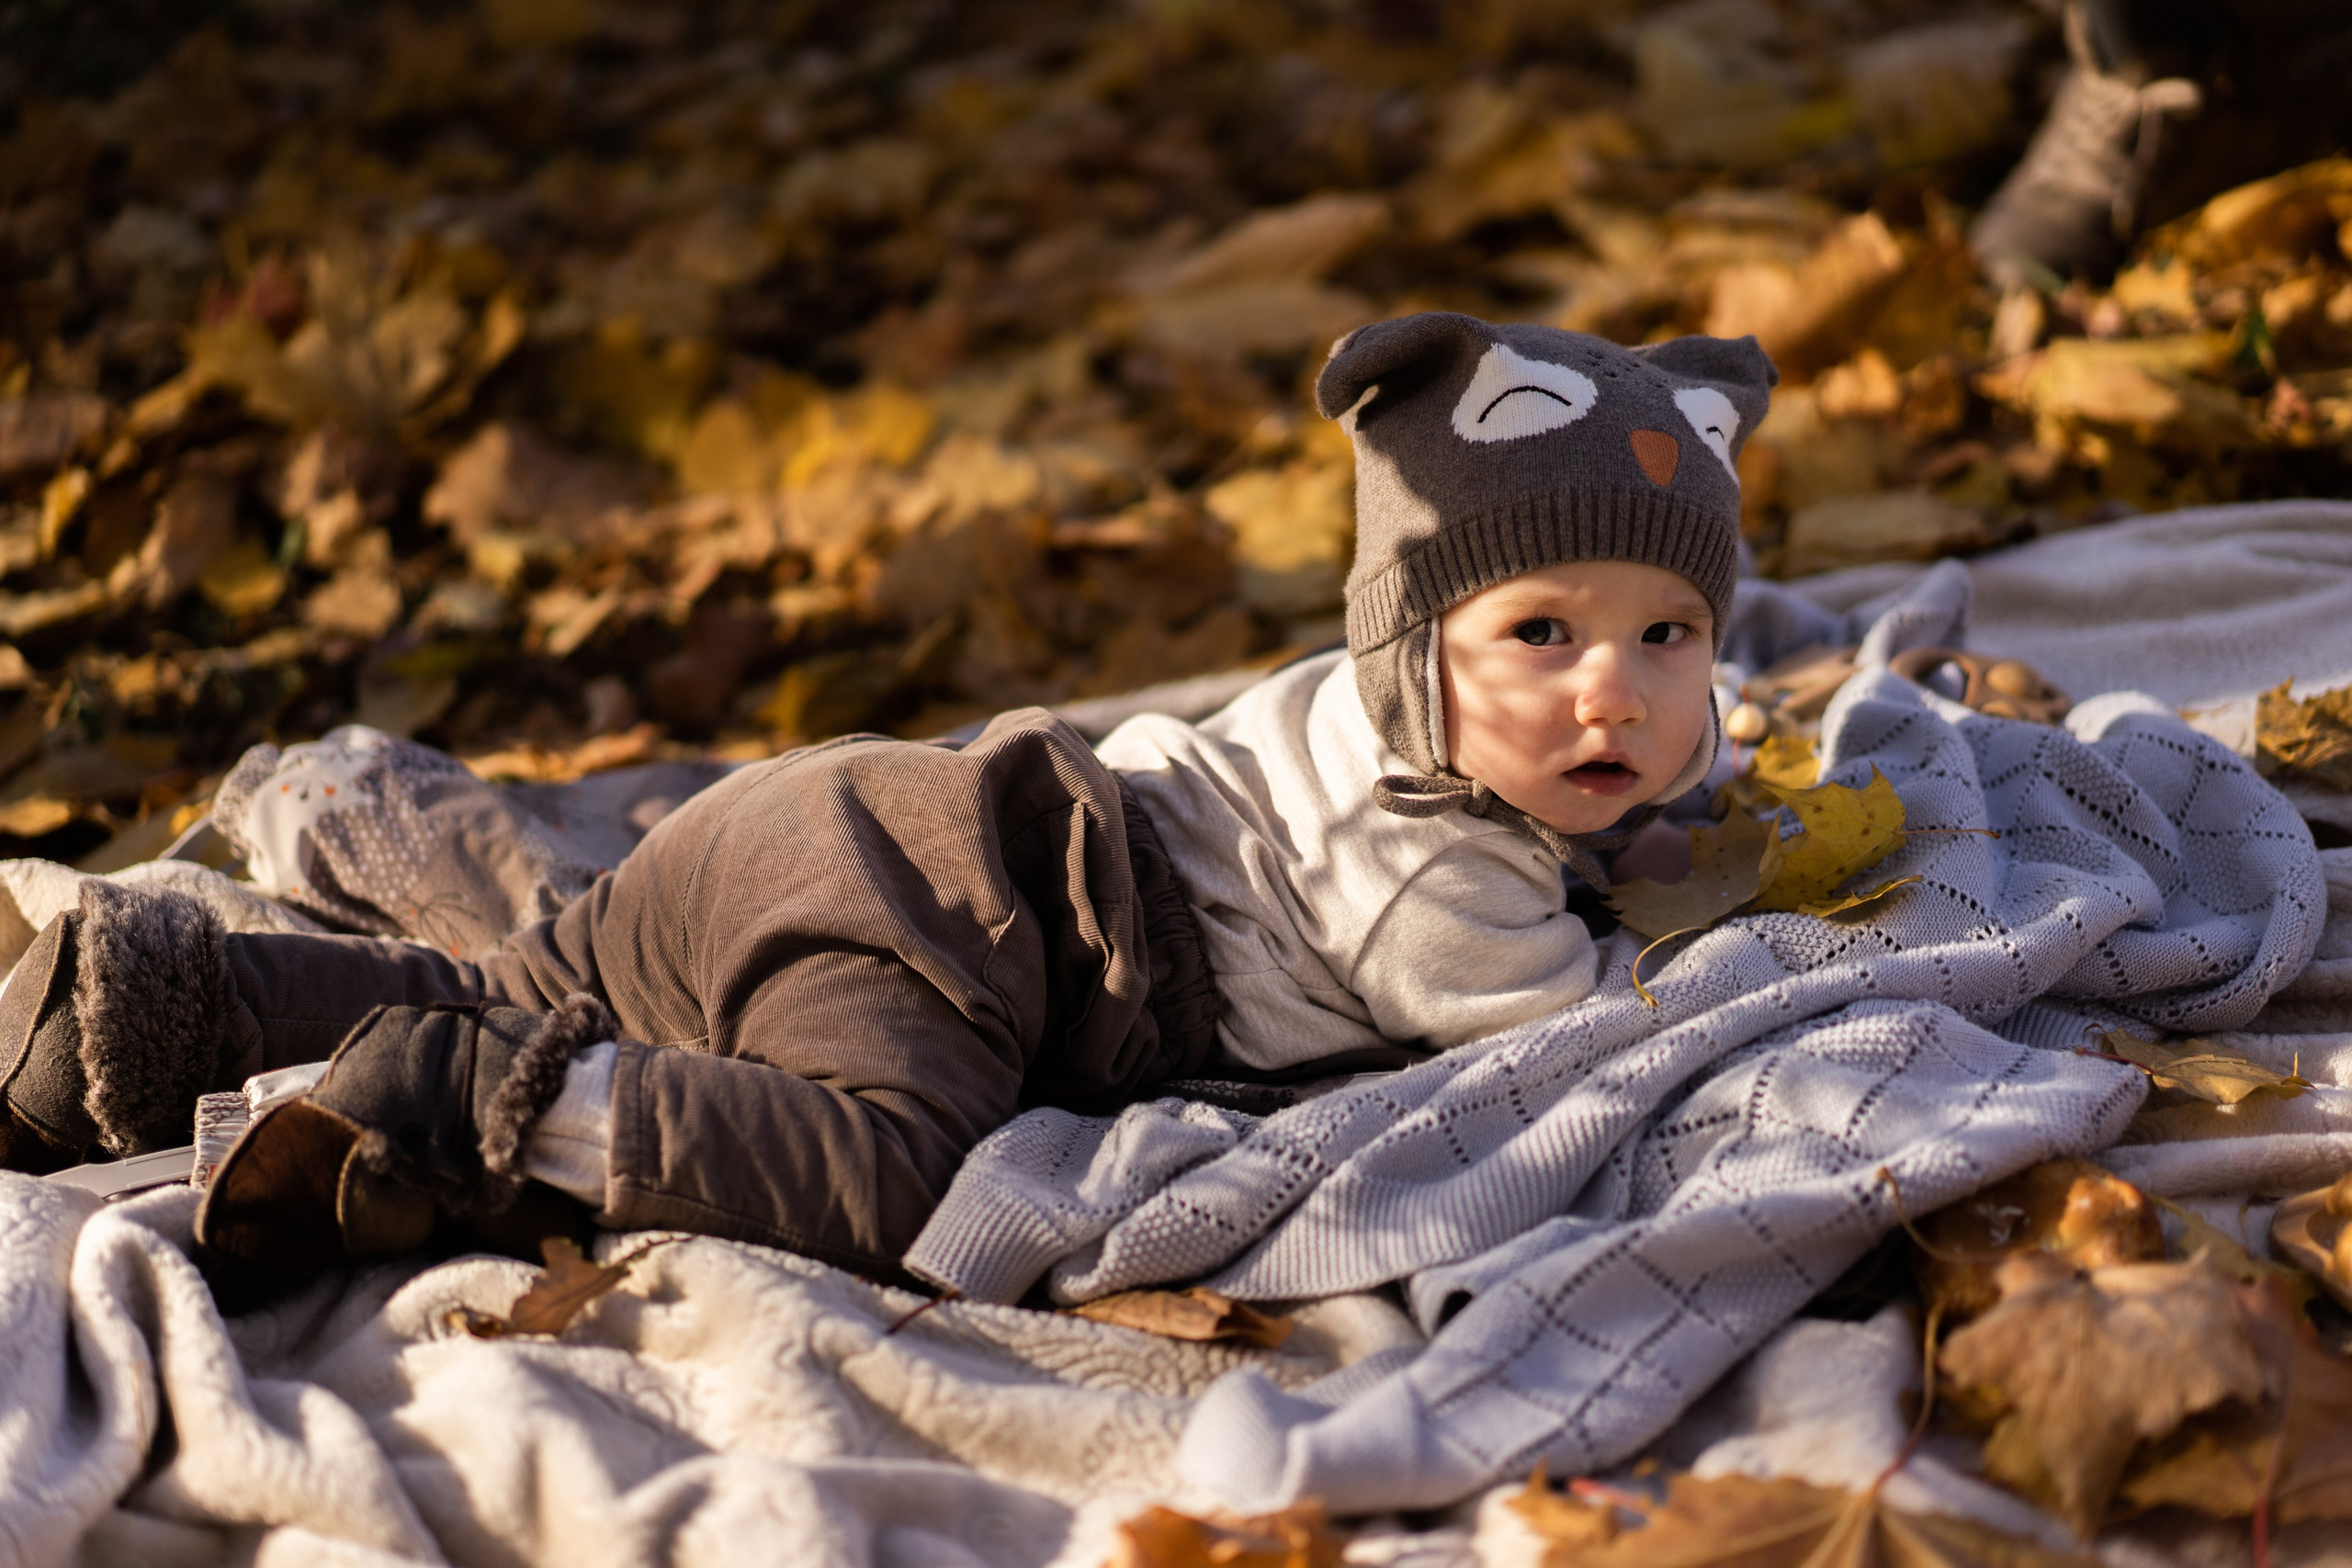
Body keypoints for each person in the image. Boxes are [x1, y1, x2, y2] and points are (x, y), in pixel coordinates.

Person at [0, 311, 1774, 1289]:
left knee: (525, 967)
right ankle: (479, 1111)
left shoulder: (1361, 705)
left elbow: (1597, 788)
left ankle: (126, 1008)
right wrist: (1696, 909)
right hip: (958, 924)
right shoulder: (1438, 880)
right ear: (1409, 647)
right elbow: (1592, 1028)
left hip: (825, 818)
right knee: (884, 1167)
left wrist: (1643, 805)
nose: (1612, 693)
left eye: (1670, 635)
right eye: (1540, 634)